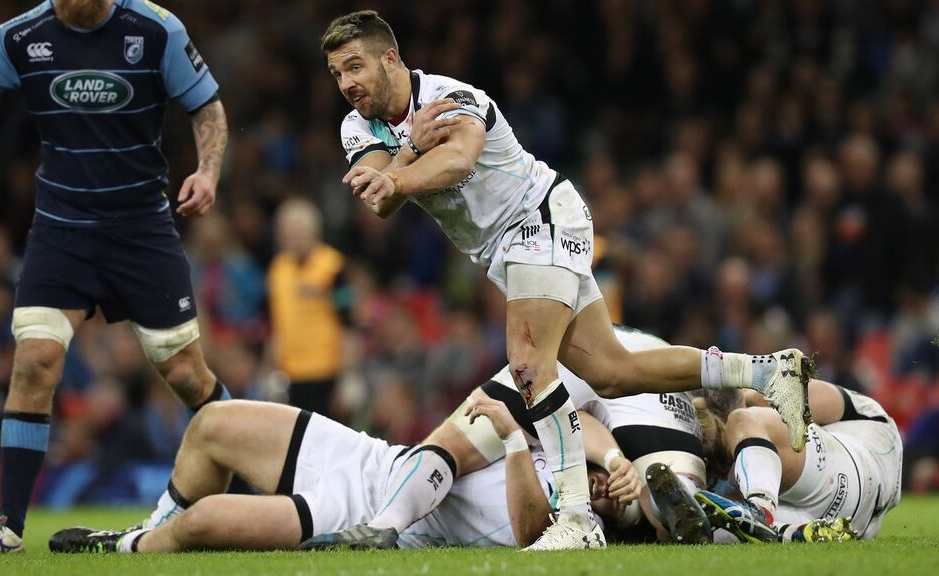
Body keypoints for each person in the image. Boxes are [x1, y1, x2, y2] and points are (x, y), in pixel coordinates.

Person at [318, 10, 811, 549]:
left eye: (354, 67)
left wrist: (398, 165)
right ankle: (765, 373)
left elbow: (458, 160)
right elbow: (382, 202)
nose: (347, 84)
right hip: (505, 248)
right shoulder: (355, 127)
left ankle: (575, 519)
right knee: (613, 372)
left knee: (529, 367)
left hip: (538, 218)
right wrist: (409, 151)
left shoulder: (452, 97)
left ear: (390, 58)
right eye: (338, 74)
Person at [0, 0, 230, 553]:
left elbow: (207, 108)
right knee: (35, 360)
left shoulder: (155, 30)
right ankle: (8, 526)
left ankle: (253, 478)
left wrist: (206, 172)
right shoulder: (23, 37)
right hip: (62, 233)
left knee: (187, 376)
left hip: (141, 233)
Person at [306, 324, 714, 549]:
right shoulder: (684, 420)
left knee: (451, 447)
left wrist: (612, 461)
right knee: (666, 499)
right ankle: (693, 505)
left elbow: (580, 422)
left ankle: (385, 525)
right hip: (640, 380)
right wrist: (617, 464)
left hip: (574, 350)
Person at [47, 398, 640, 553]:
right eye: (612, 490)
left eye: (618, 506)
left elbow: (528, 524)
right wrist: (617, 463)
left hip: (352, 520)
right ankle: (147, 528)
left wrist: (514, 438)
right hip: (371, 460)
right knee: (210, 426)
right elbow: (581, 419)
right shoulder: (574, 459)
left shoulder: (562, 525)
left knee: (203, 525)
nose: (606, 496)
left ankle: (133, 544)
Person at [692, 379, 902, 543]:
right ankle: (778, 530)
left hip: (852, 476)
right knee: (709, 519)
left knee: (745, 418)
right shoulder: (760, 395)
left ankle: (759, 512)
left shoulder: (754, 403)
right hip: (842, 515)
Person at [268, 198, 349, 417]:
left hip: (327, 371)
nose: (295, 238)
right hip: (291, 372)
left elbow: (349, 320)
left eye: (300, 231)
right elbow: (276, 322)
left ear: (314, 231)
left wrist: (348, 375)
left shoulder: (334, 265)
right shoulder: (278, 269)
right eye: (289, 232)